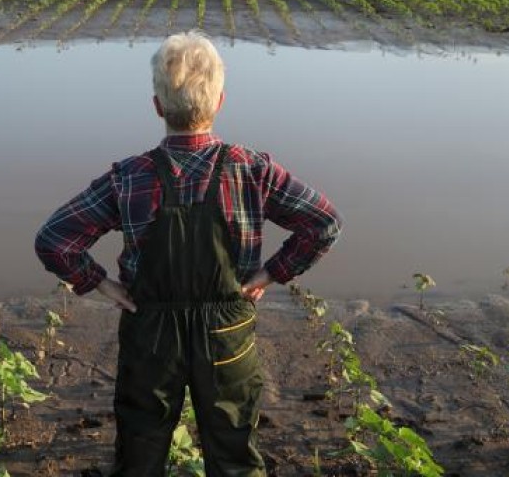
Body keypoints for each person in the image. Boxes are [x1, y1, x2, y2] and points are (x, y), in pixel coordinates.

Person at [34, 31, 343, 476]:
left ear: (157, 106)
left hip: (151, 330)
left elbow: (54, 239)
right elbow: (324, 223)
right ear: (220, 100)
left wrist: (101, 284)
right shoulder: (252, 170)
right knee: (233, 452)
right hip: (227, 330)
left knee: (140, 452)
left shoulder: (128, 177)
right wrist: (270, 275)